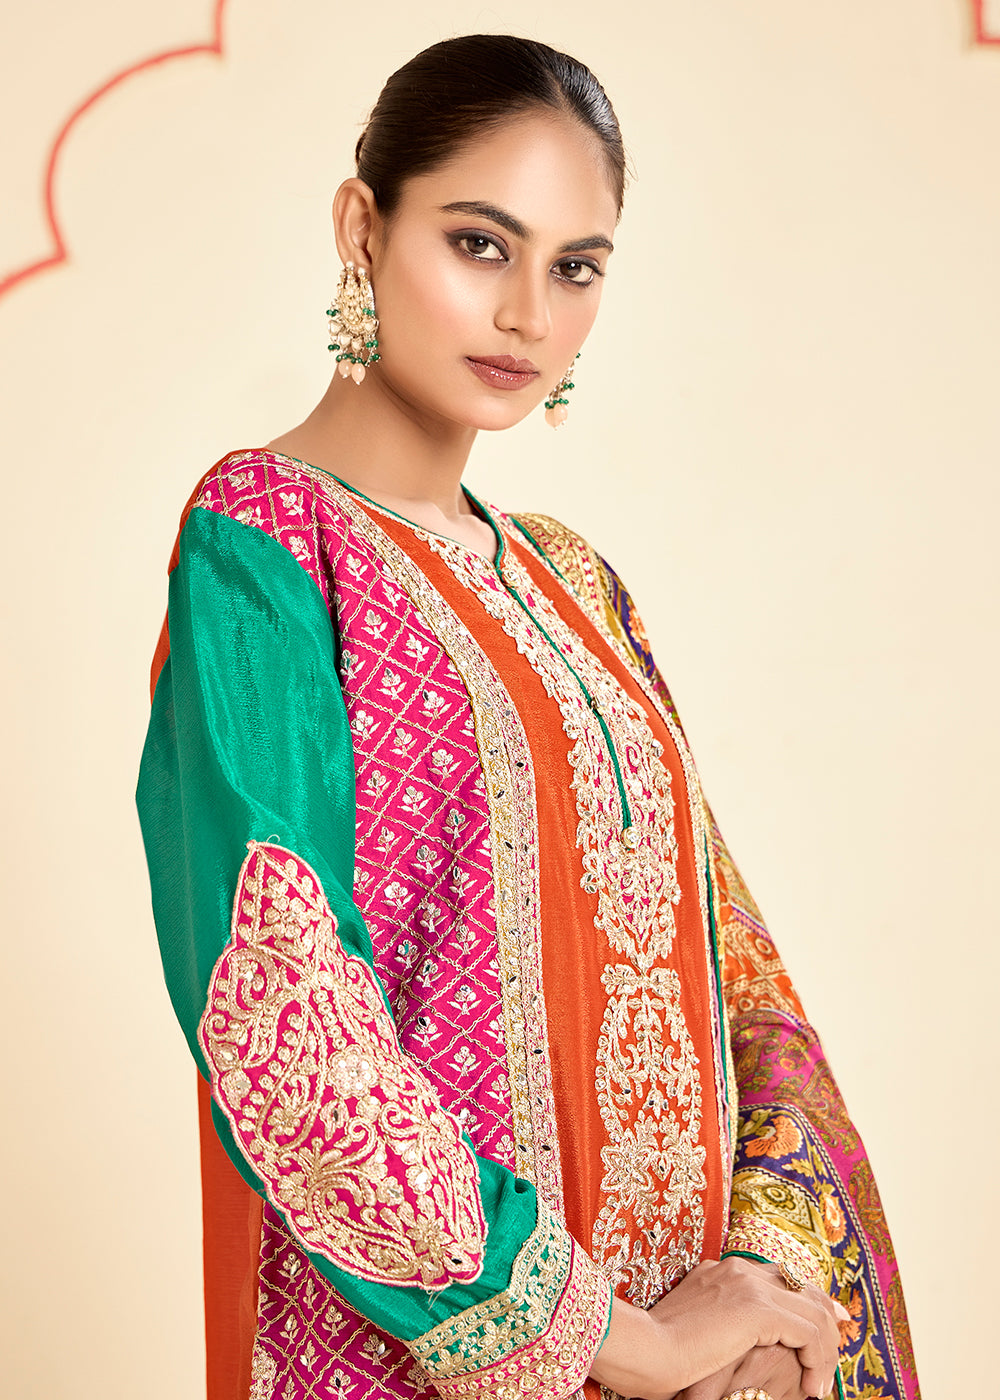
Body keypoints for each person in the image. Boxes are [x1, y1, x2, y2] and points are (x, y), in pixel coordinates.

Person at [136, 34, 919, 1400]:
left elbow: (738, 975)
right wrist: (629, 1342)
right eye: (480, 244)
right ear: (362, 228)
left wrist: (761, 1293)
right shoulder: (267, 543)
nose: (526, 315)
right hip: (427, 1360)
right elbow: (285, 1025)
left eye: (576, 267)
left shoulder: (575, 583)